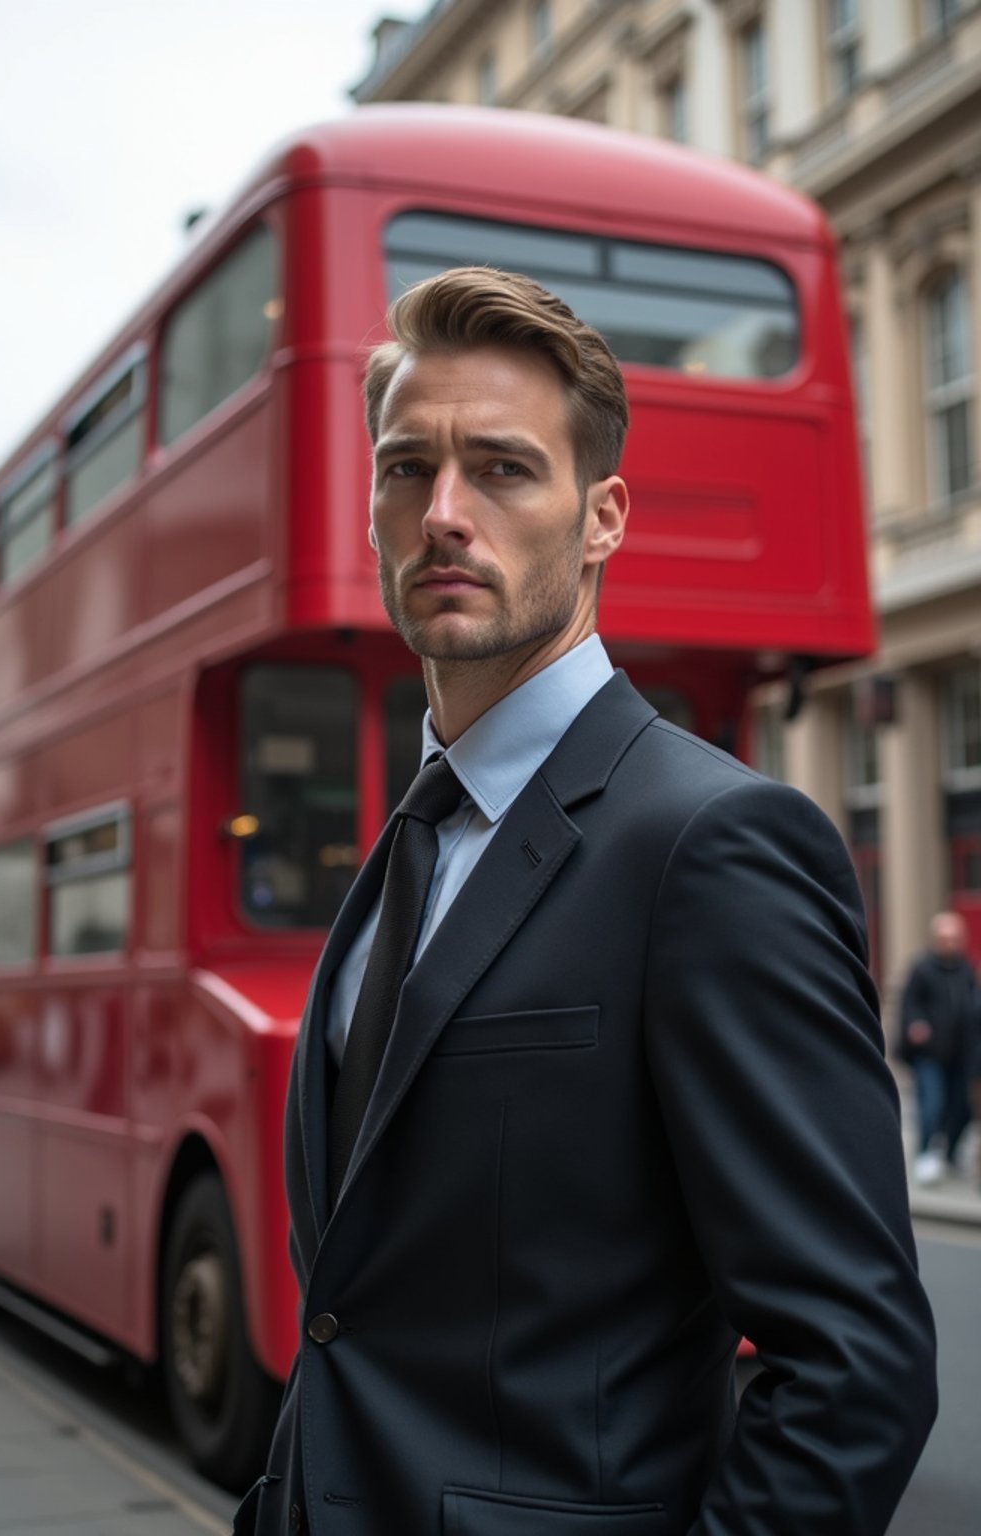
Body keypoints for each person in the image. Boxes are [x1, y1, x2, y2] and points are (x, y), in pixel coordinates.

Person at [234, 268, 936, 1536]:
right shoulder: (414, 839)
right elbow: (356, 1314)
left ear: (602, 517)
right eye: (406, 470)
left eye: (501, 469)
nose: (442, 513)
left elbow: (855, 1370)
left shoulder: (714, 847)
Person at [899, 909, 977, 1184]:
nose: (950, 943)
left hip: (960, 1054)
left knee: (961, 1107)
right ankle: (924, 1155)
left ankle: (951, 1154)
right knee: (931, 1104)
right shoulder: (922, 969)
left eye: (955, 938)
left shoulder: (966, 969)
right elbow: (909, 1004)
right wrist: (916, 1025)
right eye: (945, 938)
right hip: (930, 1054)